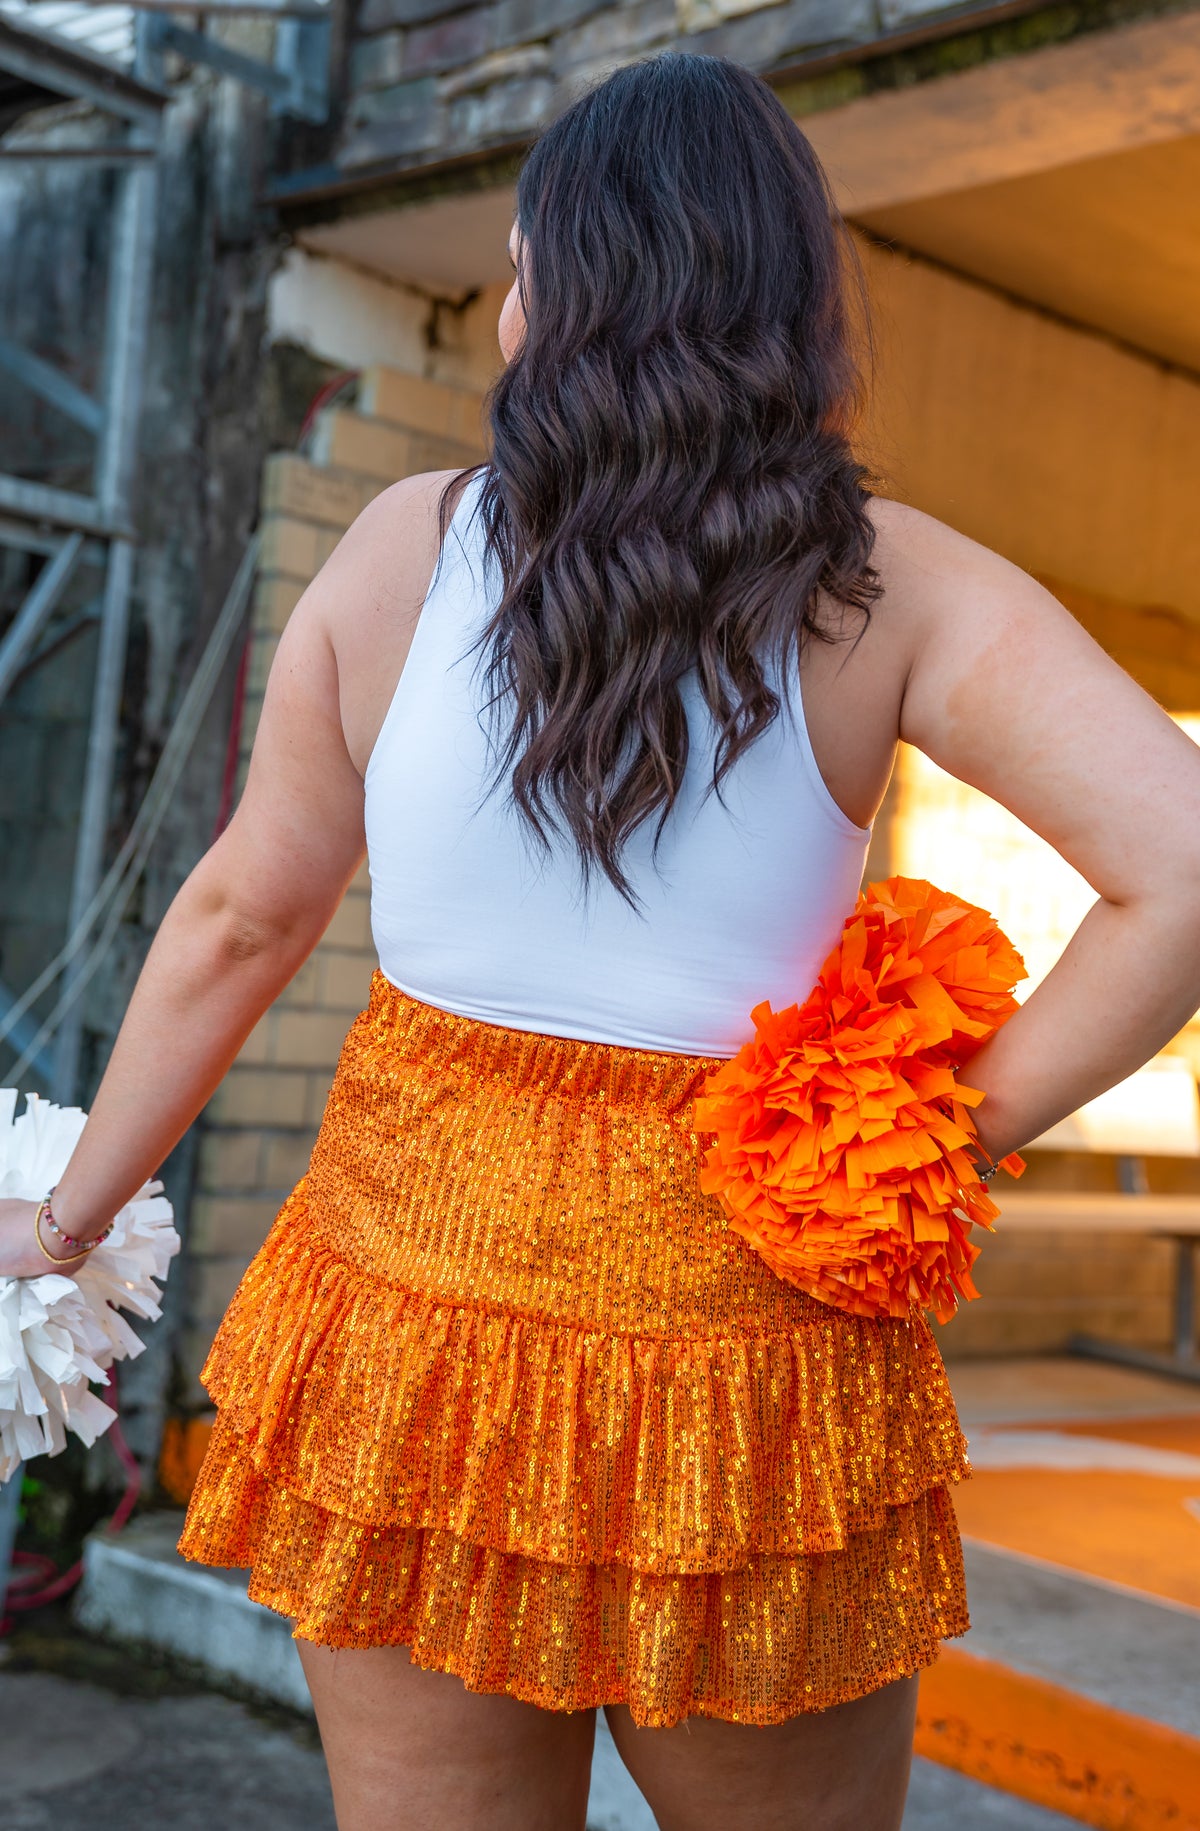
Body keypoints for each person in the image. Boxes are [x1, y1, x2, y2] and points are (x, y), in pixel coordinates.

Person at [4, 50, 1200, 1831]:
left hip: (411, 1331)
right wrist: (920, 1142)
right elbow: (1181, 865)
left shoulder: (403, 548)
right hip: (751, 1353)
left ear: (555, 301)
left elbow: (249, 912)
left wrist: (66, 1218)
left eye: (515, 267)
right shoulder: (893, 586)